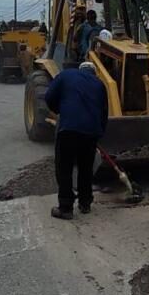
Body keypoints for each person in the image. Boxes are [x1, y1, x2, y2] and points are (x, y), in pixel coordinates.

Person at [44, 61, 109, 220]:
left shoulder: (66, 75)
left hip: (68, 129)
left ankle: (66, 208)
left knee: (64, 167)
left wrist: (60, 111)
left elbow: (49, 96)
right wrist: (97, 134)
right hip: (91, 133)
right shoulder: (100, 84)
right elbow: (104, 113)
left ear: (80, 69)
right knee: (86, 168)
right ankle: (85, 203)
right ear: (94, 73)